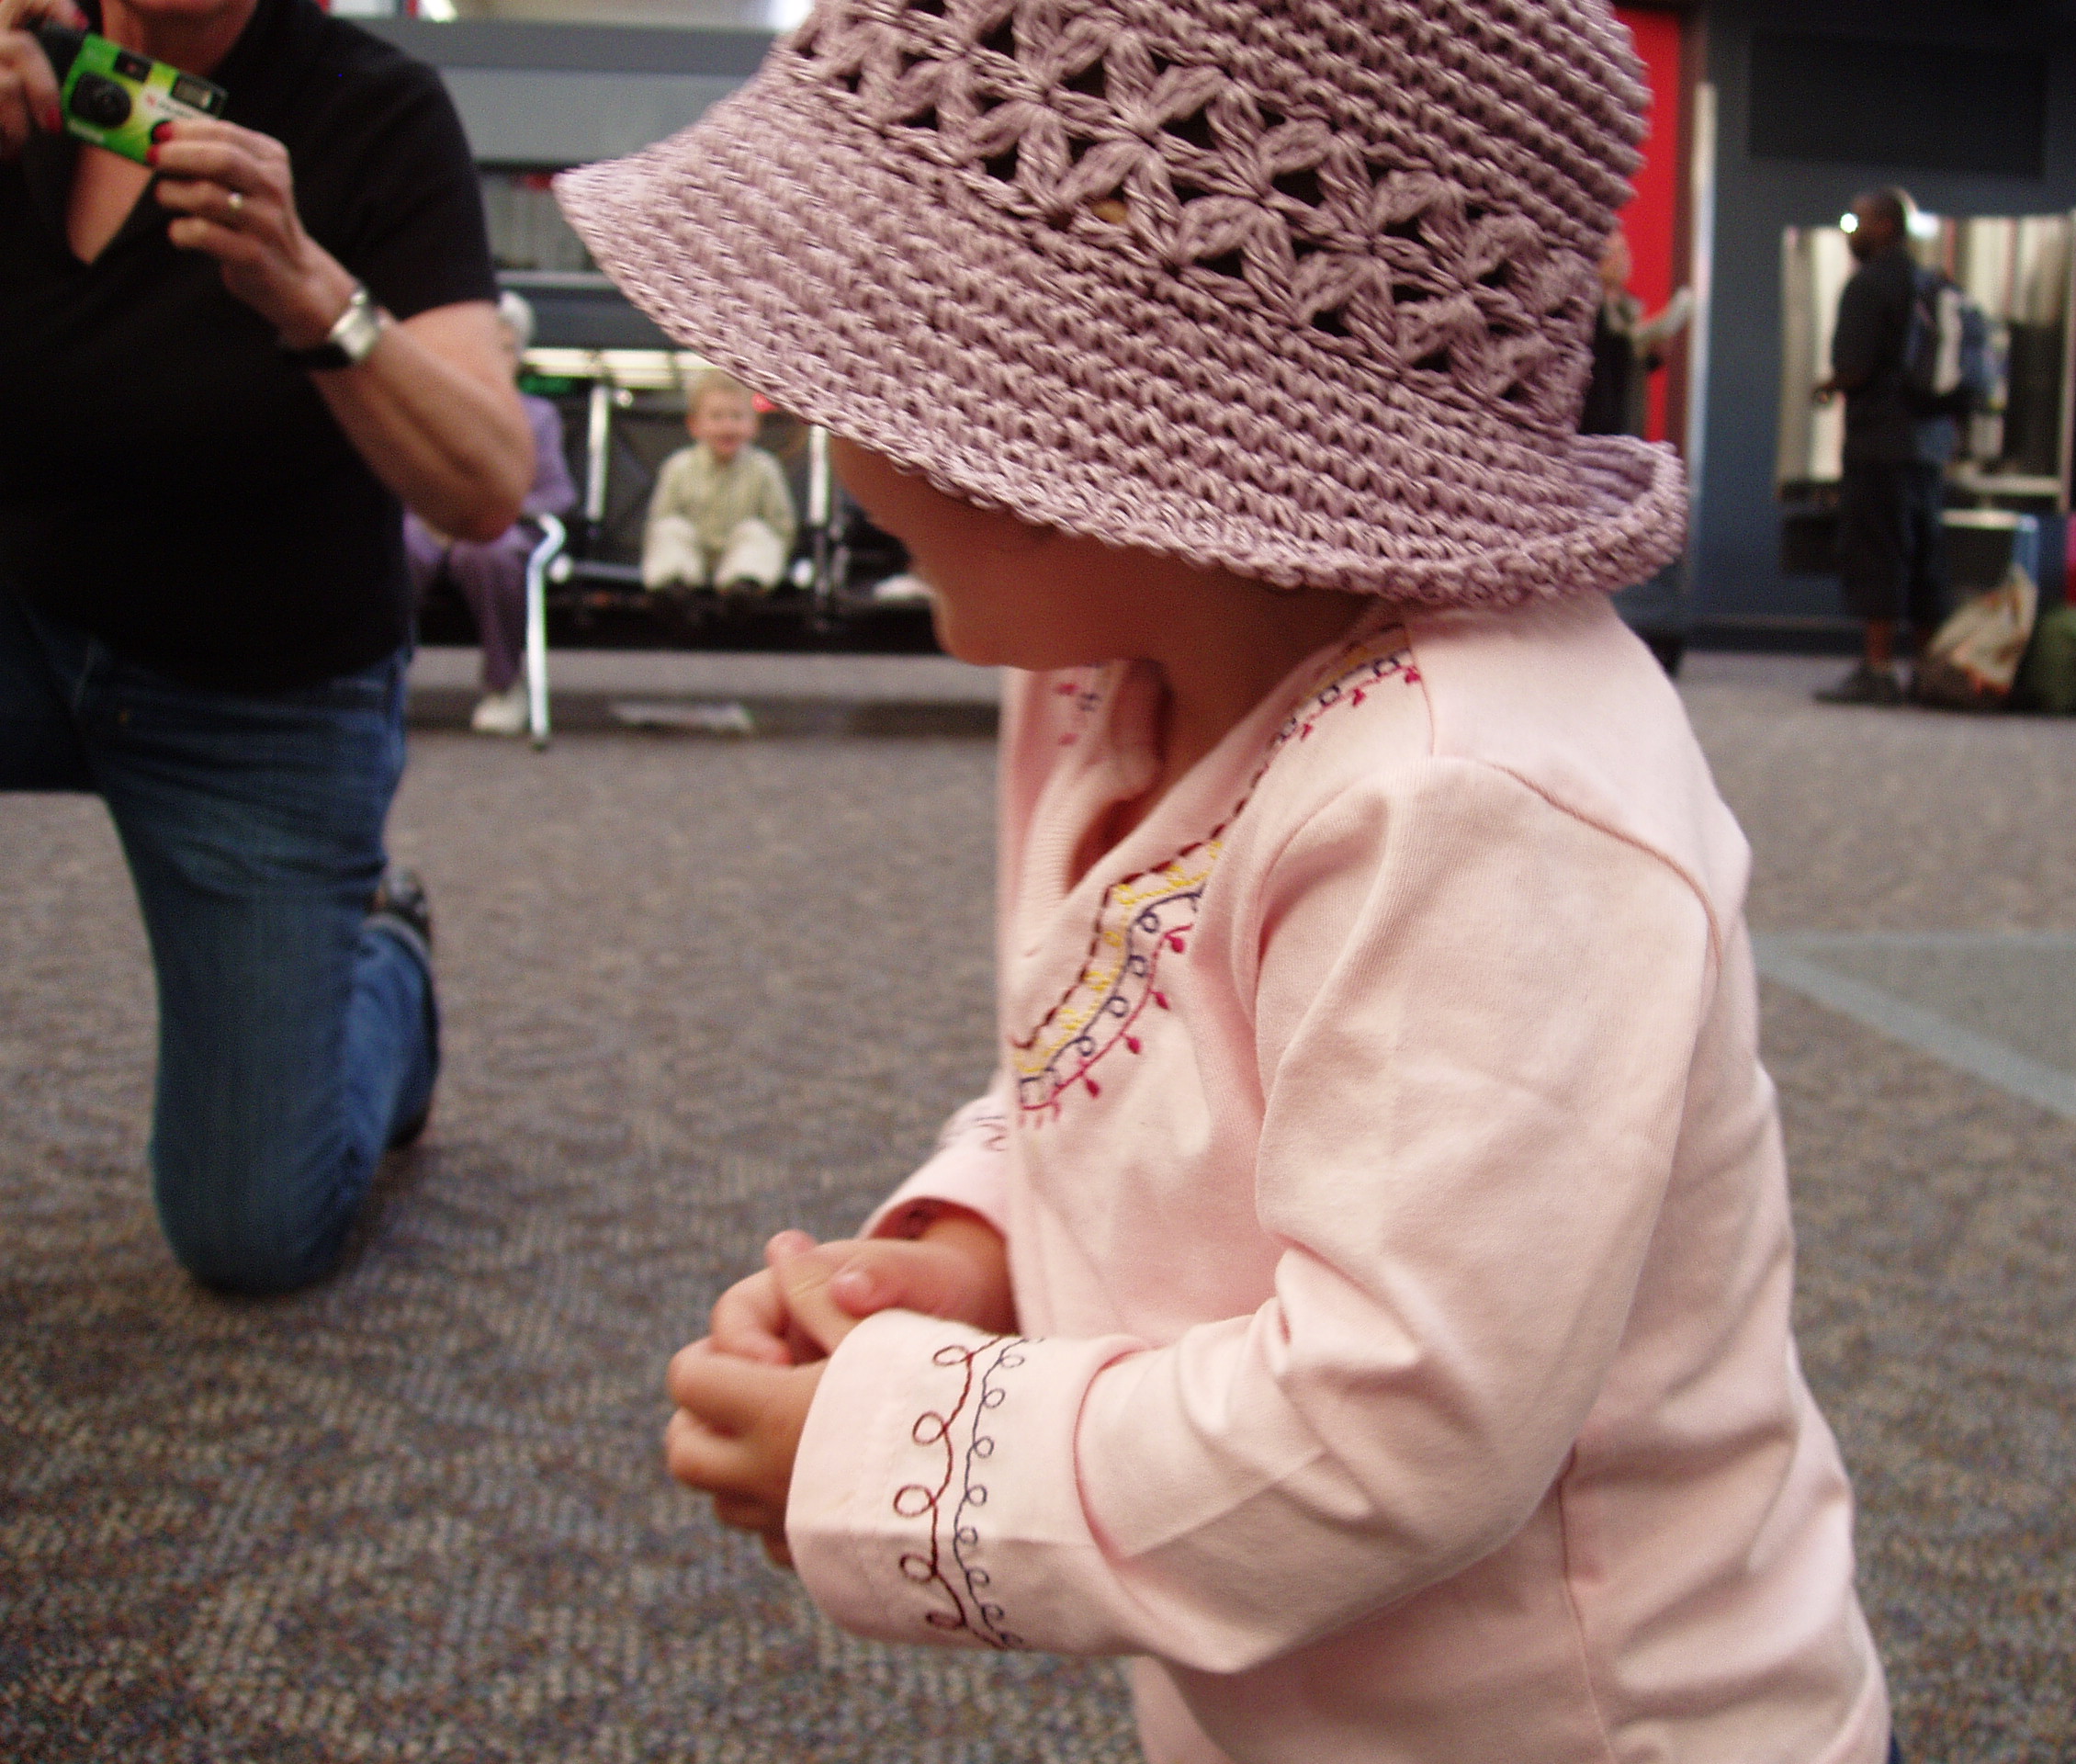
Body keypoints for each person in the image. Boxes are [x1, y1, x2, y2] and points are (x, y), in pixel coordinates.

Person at [561, 1, 1894, 1758]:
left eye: (855, 357)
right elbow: (1134, 1067)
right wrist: (978, 1248)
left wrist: (898, 1459)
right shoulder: (1105, 662)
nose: (807, 414)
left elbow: (1399, 1422)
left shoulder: (1476, 789)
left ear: (1085, 404)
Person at [0, 0, 533, 1293]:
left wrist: (312, 290)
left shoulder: (370, 106)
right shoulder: (28, 59)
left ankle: (388, 965)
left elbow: (483, 490)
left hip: (260, 691)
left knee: (250, 1232)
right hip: (31, 617)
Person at [405, 289, 578, 736]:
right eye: (485, 349)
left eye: (507, 349)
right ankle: (383, 676)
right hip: (428, 523)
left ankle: (504, 686)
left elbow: (557, 495)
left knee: (488, 553)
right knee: (401, 546)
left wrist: (486, 513)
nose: (496, 360)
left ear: (519, 357)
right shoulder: (431, 407)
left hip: (500, 528)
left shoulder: (537, 417)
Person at [1814, 187, 1957, 707]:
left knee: (1878, 553)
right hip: (1929, 445)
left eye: (1858, 221)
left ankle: (1877, 669)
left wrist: (1828, 386)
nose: (1850, 231)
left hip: (1879, 444)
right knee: (1924, 557)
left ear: (1884, 226)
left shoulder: (1868, 285)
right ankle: (1926, 671)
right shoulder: (1929, 281)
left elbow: (1854, 365)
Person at [640, 370, 797, 594]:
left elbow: (782, 527)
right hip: (690, 558)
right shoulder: (678, 466)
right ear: (694, 425)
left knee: (759, 532)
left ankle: (744, 588)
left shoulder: (765, 468)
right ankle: (673, 587)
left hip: (743, 560)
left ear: (755, 424)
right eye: (716, 417)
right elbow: (659, 520)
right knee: (670, 529)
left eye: (737, 416)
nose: (727, 426)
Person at [1582, 223, 1692, 439]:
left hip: (1628, 418)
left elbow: (1630, 364)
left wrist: (1653, 353)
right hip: (1595, 421)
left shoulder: (1628, 308)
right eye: (1612, 253)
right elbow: (1605, 357)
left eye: (1623, 251)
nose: (1620, 260)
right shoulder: (1587, 306)